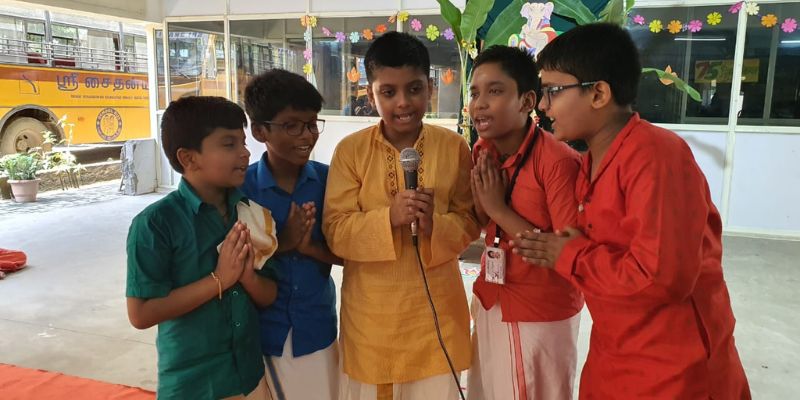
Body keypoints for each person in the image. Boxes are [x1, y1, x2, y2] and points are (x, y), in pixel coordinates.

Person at [512, 23, 751, 399]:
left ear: (598, 93)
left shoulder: (656, 156)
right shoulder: (589, 163)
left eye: (553, 91)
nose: (543, 105)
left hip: (673, 372)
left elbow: (662, 278)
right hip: (614, 357)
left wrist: (571, 255)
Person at [322, 31, 479, 399]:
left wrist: (435, 224)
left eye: (414, 89)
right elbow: (335, 231)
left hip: (436, 317)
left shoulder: (454, 147)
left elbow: (470, 220)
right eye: (388, 92)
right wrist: (388, 217)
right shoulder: (350, 151)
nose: (403, 102)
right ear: (370, 94)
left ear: (430, 88)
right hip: (373, 321)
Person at [126, 96, 277, 399]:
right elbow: (140, 314)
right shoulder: (155, 224)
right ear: (188, 158)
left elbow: (270, 294)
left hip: (248, 376)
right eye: (229, 144)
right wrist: (219, 280)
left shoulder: (250, 213)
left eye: (243, 142)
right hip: (193, 384)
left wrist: (247, 277)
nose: (245, 152)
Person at [466, 45, 583, 400]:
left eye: (494, 91)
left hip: (539, 311)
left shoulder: (558, 161)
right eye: (474, 93)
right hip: (492, 296)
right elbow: (481, 221)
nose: (479, 104)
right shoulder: (482, 150)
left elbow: (568, 254)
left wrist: (498, 209)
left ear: (527, 101)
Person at [240, 69, 341, 400]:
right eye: (292, 125)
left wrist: (310, 248)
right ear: (260, 131)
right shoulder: (242, 189)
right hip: (261, 332)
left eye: (312, 124)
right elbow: (230, 261)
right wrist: (281, 244)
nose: (307, 135)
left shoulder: (330, 182)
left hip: (316, 328)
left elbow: (352, 255)